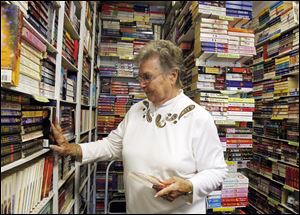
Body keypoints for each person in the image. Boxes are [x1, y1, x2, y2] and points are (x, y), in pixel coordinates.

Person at [50, 40, 228, 214]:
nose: (141, 84)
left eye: (147, 77)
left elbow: (216, 171)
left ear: (172, 76)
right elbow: (111, 146)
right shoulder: (136, 111)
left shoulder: (198, 117)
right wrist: (71, 149)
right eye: (140, 77)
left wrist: (189, 186)